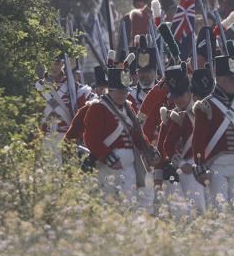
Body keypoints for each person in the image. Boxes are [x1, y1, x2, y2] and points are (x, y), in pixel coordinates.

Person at [192, 54, 234, 210]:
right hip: (217, 164)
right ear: (220, 79)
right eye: (232, 79)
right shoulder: (206, 105)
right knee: (220, 209)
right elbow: (198, 140)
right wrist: (199, 165)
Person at [83, 55, 152, 206]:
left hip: (129, 167)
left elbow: (136, 134)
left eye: (125, 91)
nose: (122, 95)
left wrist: (148, 150)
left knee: (130, 204)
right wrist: (107, 156)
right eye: (119, 91)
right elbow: (91, 138)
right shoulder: (98, 107)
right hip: (108, 165)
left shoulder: (128, 108)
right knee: (111, 206)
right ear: (110, 90)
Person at [156, 63, 206, 214]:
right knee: (192, 210)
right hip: (187, 168)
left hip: (208, 163)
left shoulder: (203, 109)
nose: (178, 100)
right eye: (175, 96)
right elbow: (165, 146)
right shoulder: (172, 117)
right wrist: (181, 163)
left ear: (189, 92)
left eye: (181, 95)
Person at [36, 55, 93, 163]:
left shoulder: (75, 88)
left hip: (67, 139)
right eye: (50, 62)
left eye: (57, 63)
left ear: (63, 64)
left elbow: (83, 117)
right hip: (44, 138)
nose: (53, 66)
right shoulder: (38, 87)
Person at [127, 35, 158, 113]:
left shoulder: (163, 93)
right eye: (141, 71)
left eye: (147, 71)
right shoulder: (131, 96)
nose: (144, 75)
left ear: (155, 72)